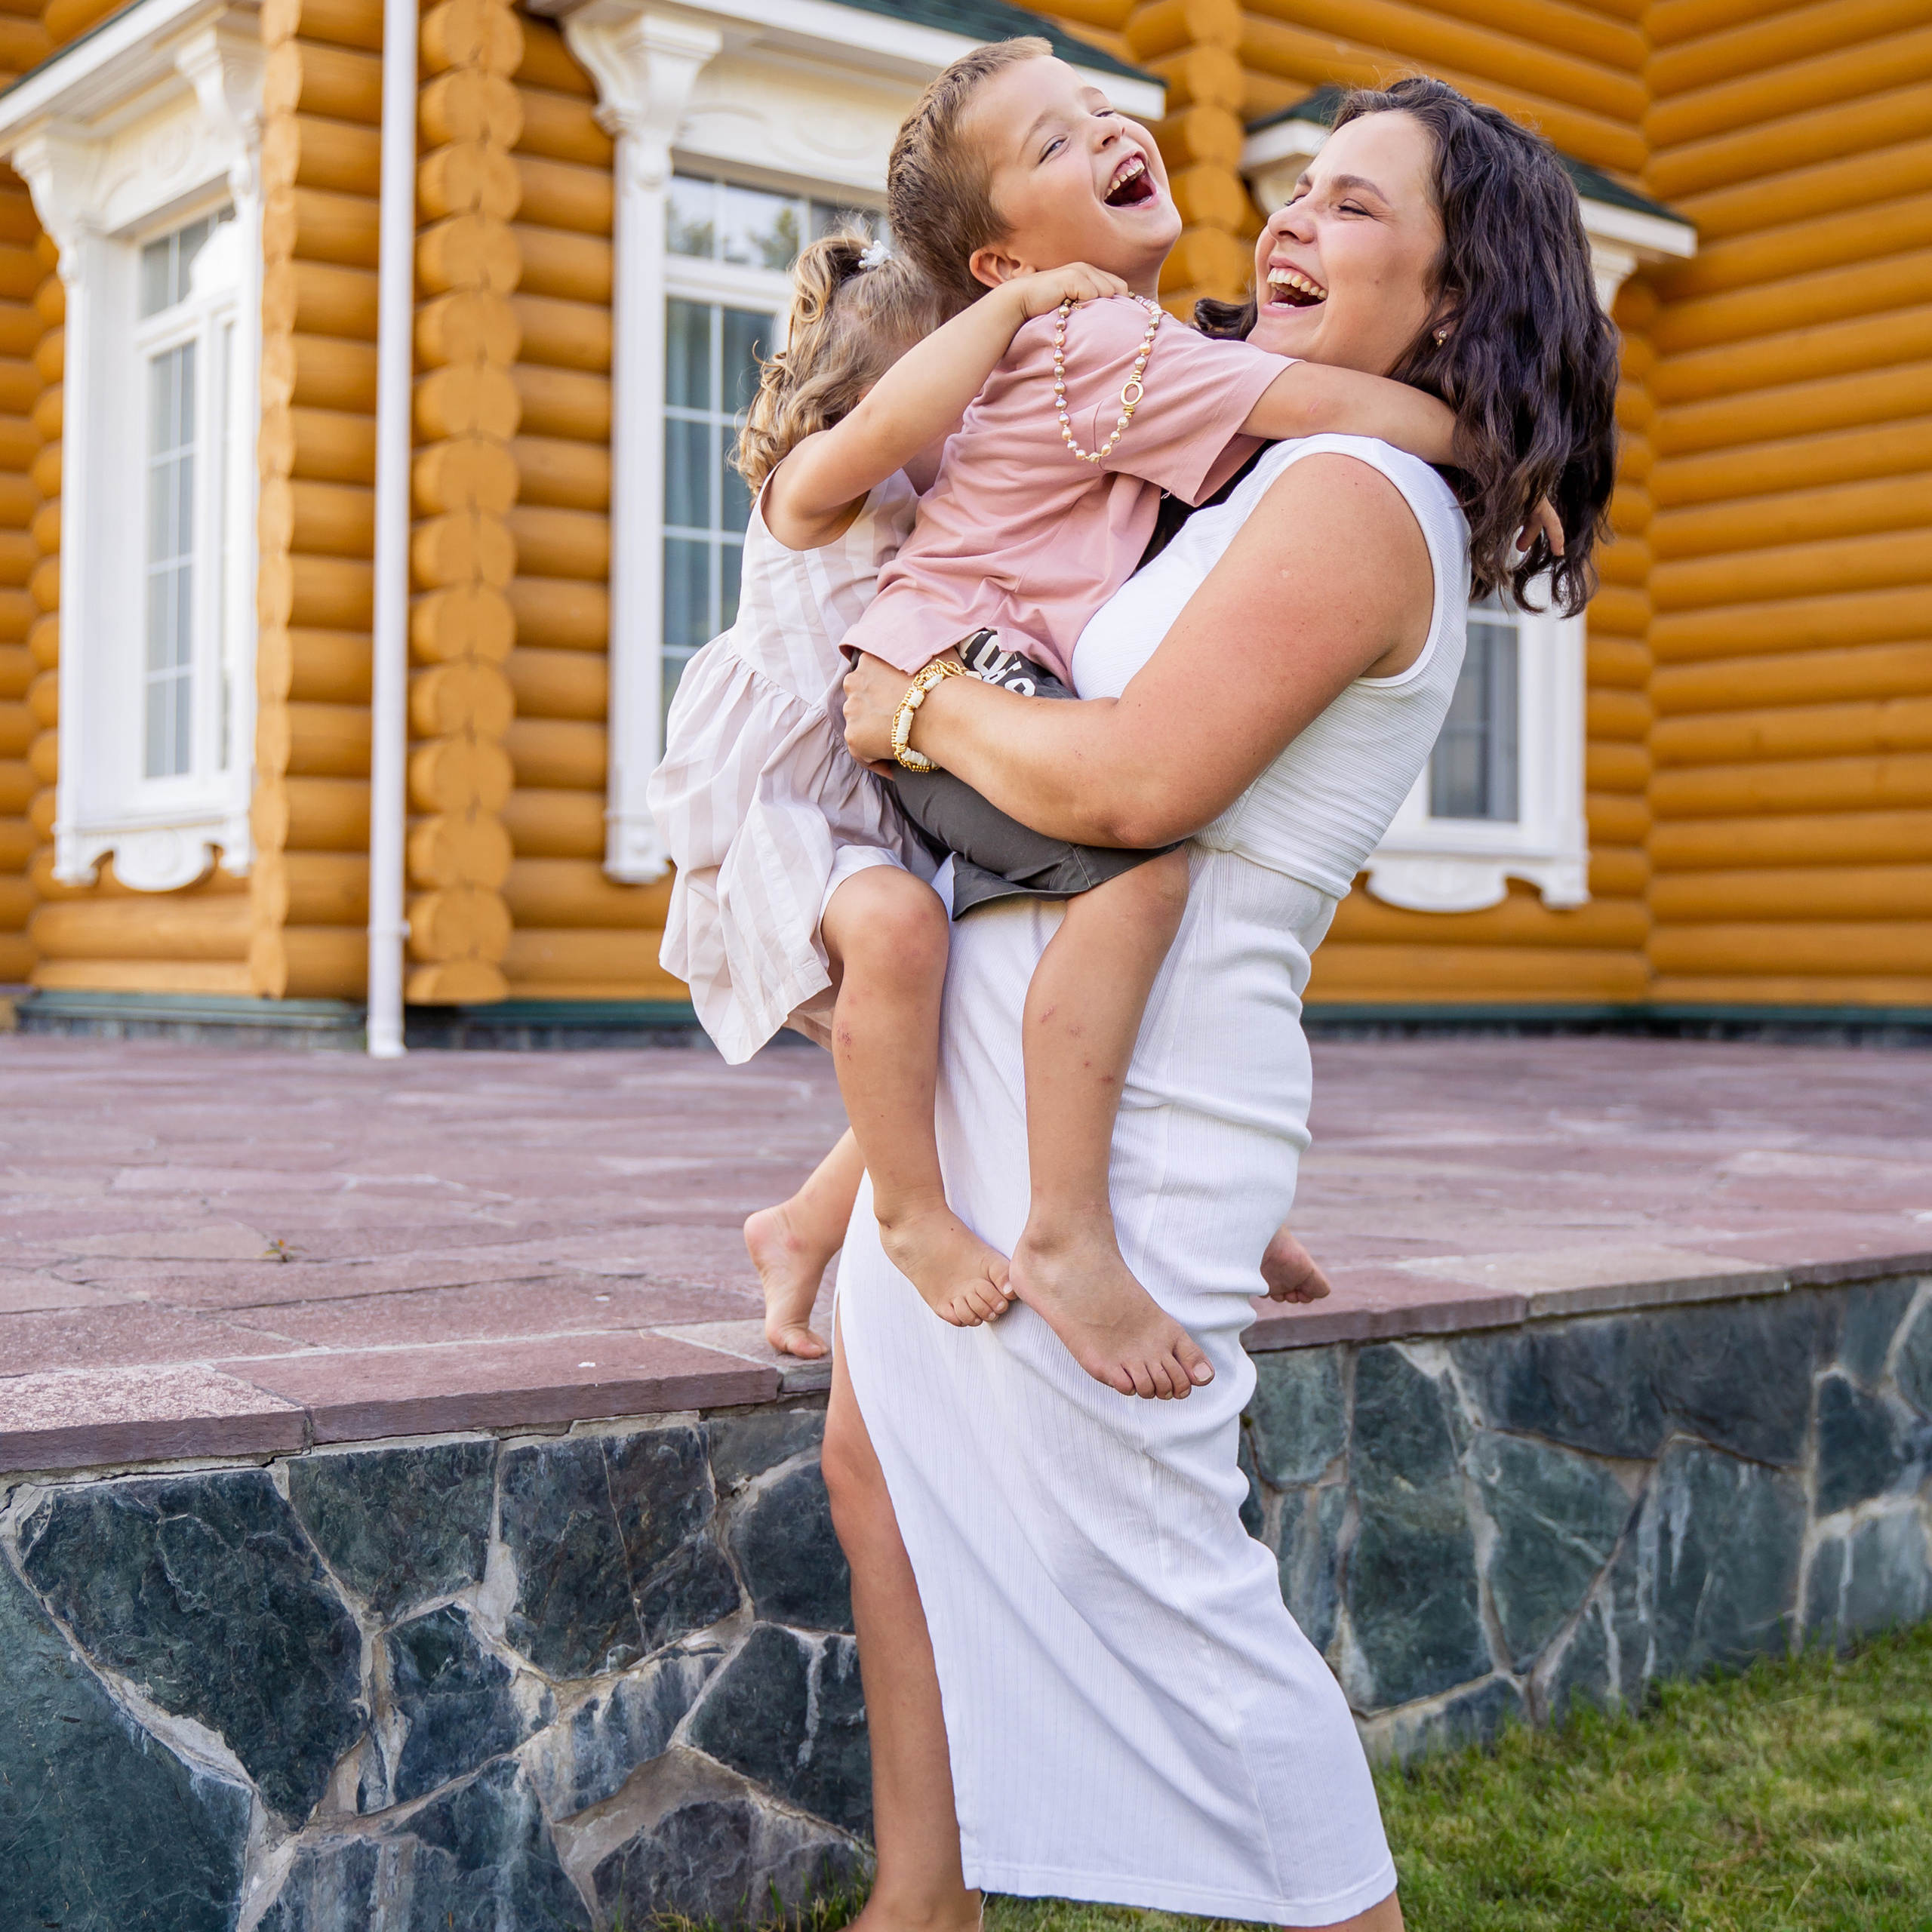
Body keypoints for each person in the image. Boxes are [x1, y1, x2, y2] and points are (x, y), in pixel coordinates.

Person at [826, 64, 1618, 1932]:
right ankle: (917, 1901)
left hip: (1130, 1111)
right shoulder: (1228, 474)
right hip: (999, 1083)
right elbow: (1026, 839)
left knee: (1158, 1584)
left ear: (1452, 293)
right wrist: (840, 1178)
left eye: (1352, 205)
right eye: (1294, 185)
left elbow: (1124, 788)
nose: (1285, 218)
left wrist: (913, 708)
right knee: (882, 1464)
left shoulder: (1357, 494)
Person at [654, 37, 1494, 1399]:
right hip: (945, 665)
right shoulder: (1102, 341)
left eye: (1098, 109)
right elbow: (1334, 402)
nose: (1107, 131)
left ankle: (813, 1221)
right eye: (1053, 143)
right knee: (1126, 886)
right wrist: (1504, 439)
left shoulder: (1134, 353)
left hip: (952, 664)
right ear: (999, 264)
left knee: (973, 966)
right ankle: (1058, 1226)